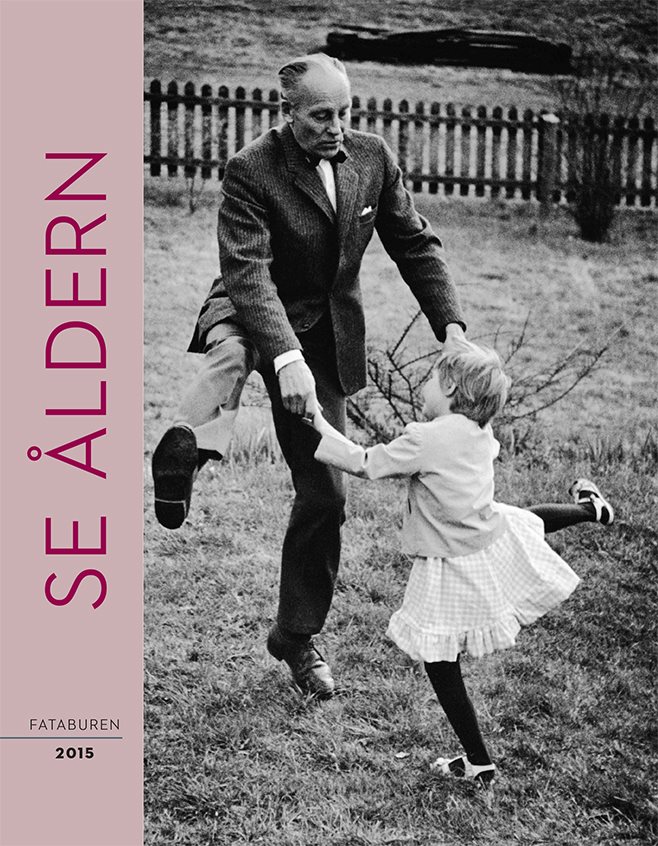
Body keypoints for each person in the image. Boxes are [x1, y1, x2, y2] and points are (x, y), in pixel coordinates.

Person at [151, 52, 468, 699]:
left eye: (344, 112)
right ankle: (185, 451)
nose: (336, 127)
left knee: (326, 495)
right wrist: (284, 357)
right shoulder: (252, 168)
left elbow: (413, 242)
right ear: (288, 112)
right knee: (231, 355)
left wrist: (452, 327)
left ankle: (295, 636)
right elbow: (247, 271)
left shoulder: (372, 158)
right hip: (249, 303)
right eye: (321, 115)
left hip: (323, 335)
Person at [309, 337, 614, 782]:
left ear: (450, 387)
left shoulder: (426, 438)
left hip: (452, 560)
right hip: (483, 533)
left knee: (440, 662)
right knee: (526, 521)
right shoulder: (479, 431)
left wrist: (319, 424)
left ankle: (479, 761)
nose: (425, 385)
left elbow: (366, 463)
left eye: (432, 378)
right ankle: (589, 510)